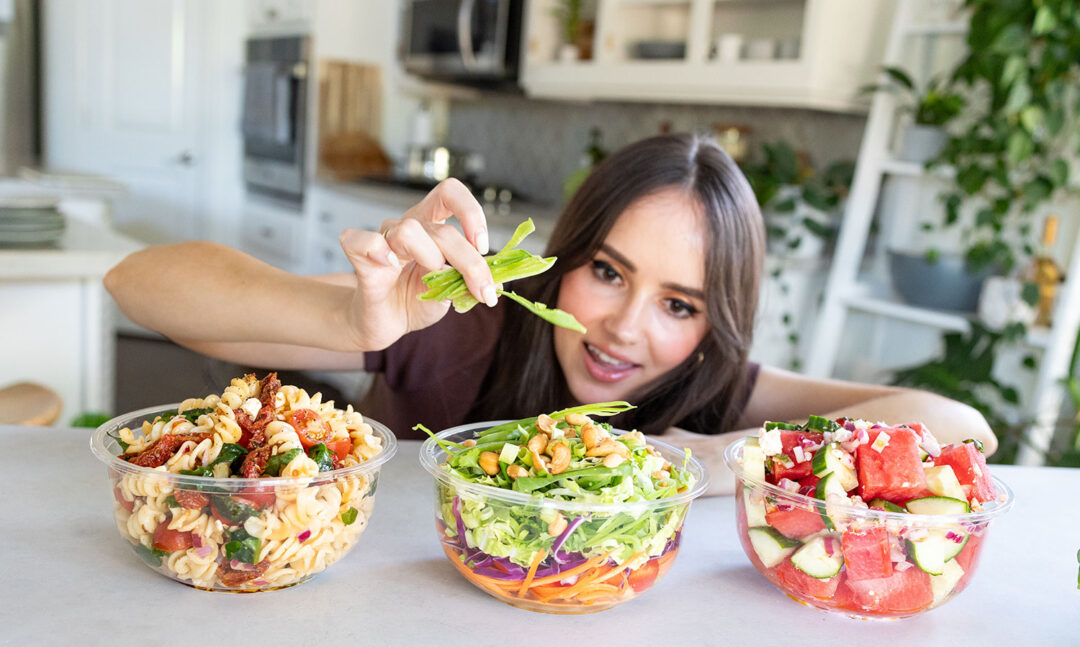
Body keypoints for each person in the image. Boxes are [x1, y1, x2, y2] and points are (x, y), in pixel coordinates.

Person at [105, 134, 996, 494]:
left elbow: (961, 426)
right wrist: (352, 325)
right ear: (564, 260)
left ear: (715, 325)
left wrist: (726, 457)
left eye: (679, 303)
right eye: (607, 272)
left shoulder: (717, 393)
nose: (624, 328)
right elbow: (139, 283)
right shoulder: (466, 320)